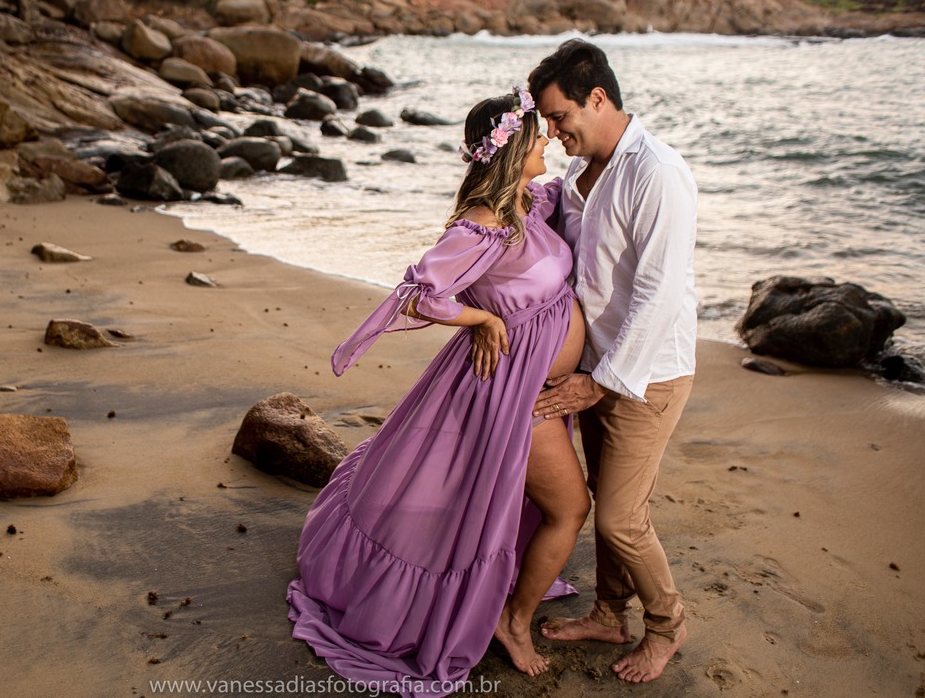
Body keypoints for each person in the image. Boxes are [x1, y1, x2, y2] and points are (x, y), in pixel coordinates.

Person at [287, 87, 591, 696]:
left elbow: (581, 199)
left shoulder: (529, 201)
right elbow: (422, 293)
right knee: (571, 507)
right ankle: (514, 622)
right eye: (539, 134)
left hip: (530, 383)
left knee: (492, 501)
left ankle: (509, 601)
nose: (549, 139)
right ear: (509, 148)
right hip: (509, 392)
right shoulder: (482, 226)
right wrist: (482, 320)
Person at [509, 39, 698, 683]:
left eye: (560, 117)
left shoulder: (657, 172)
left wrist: (601, 381)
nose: (554, 132)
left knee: (620, 517)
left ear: (598, 98)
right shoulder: (572, 180)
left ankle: (667, 623)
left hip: (648, 373)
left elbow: (660, 291)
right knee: (598, 496)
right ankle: (610, 613)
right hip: (591, 369)